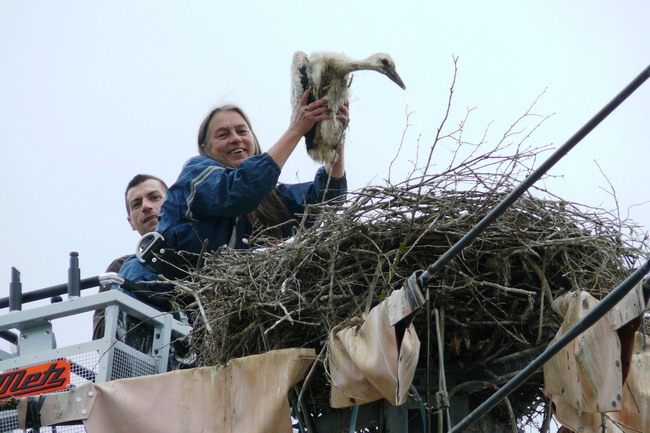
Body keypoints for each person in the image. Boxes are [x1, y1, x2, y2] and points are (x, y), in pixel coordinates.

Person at [119, 89, 348, 284]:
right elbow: (238, 191)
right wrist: (295, 131)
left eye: (241, 131)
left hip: (187, 307)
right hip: (143, 287)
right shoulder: (196, 175)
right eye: (223, 134)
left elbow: (325, 200)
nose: (236, 139)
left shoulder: (263, 202)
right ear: (206, 148)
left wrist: (335, 137)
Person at [92, 174, 168, 340]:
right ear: (131, 222)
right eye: (136, 204)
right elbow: (102, 336)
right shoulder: (120, 268)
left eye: (154, 198)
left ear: (174, 203)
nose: (146, 206)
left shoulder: (202, 250)